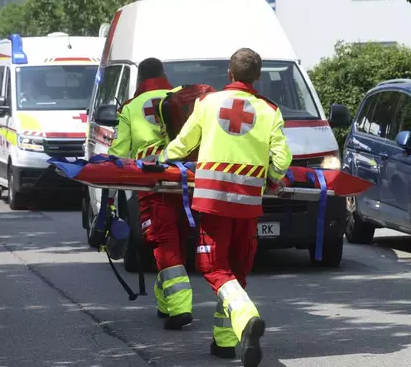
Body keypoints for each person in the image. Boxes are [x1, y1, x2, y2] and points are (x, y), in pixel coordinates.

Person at [158, 48, 293, 367]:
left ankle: (247, 316)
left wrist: (162, 161)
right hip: (248, 204)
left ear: (229, 75)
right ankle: (225, 342)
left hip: (214, 201)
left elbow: (184, 143)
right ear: (258, 77)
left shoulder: (208, 103)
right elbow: (282, 160)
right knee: (236, 269)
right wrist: (273, 177)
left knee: (214, 267)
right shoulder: (269, 110)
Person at [108, 57, 194, 330]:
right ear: (163, 74)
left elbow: (119, 155)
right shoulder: (179, 96)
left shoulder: (131, 108)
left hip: (152, 184)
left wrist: (109, 194)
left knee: (163, 241)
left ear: (139, 80)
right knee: (176, 240)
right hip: (184, 180)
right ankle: (165, 302)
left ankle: (180, 308)